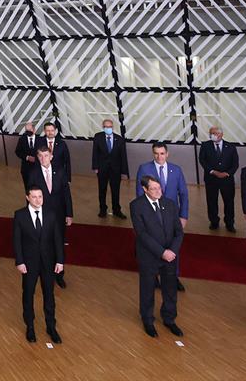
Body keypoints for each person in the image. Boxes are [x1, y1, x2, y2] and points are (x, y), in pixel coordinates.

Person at [130, 175, 184, 338]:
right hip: (149, 255)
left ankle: (169, 319)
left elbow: (178, 232)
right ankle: (148, 320)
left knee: (170, 289)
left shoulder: (170, 204)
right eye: (153, 188)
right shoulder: (136, 206)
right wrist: (162, 252)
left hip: (170, 256)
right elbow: (142, 234)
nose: (157, 191)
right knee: (147, 289)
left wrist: (172, 251)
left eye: (159, 187)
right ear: (145, 189)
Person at [135, 142, 189, 290]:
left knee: (173, 247)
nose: (159, 156)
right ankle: (155, 277)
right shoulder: (144, 168)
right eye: (156, 153)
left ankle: (174, 277)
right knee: (154, 246)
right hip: (152, 217)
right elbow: (140, 194)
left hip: (172, 216)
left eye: (162, 153)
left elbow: (183, 194)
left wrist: (183, 216)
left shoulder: (176, 170)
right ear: (153, 154)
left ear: (167, 153)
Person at [12, 187, 63, 343]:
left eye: (40, 196)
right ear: (27, 197)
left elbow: (57, 240)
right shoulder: (20, 215)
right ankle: (30, 327)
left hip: (48, 263)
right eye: (34, 197)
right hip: (28, 263)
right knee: (28, 294)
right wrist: (19, 261)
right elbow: (17, 241)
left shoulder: (51, 214)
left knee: (49, 295)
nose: (38, 200)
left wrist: (60, 261)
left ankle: (51, 326)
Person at [26, 146, 72, 287]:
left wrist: (69, 214)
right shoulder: (33, 173)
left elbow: (66, 194)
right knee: (45, 245)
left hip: (58, 215)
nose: (43, 158)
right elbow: (30, 196)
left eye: (46, 155)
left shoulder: (60, 171)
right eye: (40, 156)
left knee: (59, 243)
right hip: (42, 215)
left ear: (51, 156)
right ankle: (47, 274)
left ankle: (59, 275)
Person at [199, 125, 239, 232]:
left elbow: (235, 164)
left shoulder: (230, 147)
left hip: (227, 180)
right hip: (211, 179)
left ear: (221, 134)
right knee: (212, 201)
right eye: (211, 133)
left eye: (215, 133)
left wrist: (227, 173)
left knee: (229, 202)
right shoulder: (205, 145)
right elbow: (202, 160)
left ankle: (229, 223)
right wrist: (213, 171)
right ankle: (214, 222)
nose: (212, 135)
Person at [90, 118, 128, 219]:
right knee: (102, 190)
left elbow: (123, 157)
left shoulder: (119, 139)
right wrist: (95, 167)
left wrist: (124, 172)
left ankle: (116, 210)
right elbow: (95, 153)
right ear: (103, 127)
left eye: (110, 127)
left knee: (115, 191)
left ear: (113, 127)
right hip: (102, 169)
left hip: (116, 170)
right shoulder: (98, 137)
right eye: (106, 127)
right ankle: (103, 209)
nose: (108, 128)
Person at [15, 121, 40, 185]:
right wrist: (27, 157)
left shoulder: (41, 140)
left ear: (34, 130)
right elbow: (17, 152)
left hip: (38, 168)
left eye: (30, 130)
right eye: (27, 130)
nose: (28, 132)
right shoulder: (22, 139)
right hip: (26, 169)